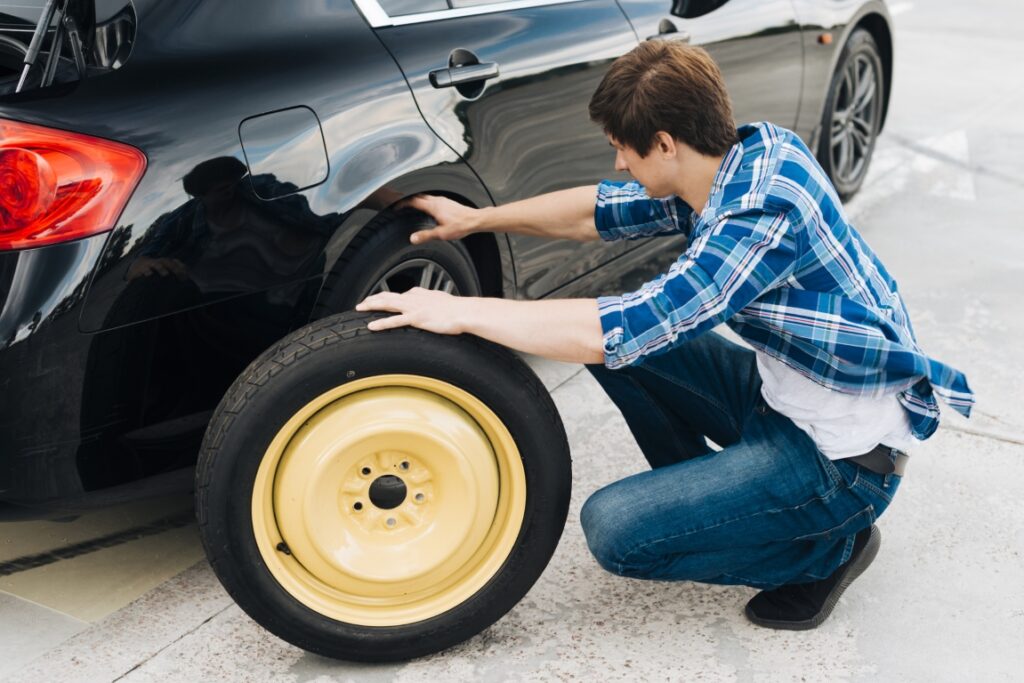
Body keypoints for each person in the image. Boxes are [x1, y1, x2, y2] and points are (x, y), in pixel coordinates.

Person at [354, 40, 974, 629]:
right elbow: (596, 210)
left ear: (665, 143)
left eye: (625, 148)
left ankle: (820, 552)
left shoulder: (758, 219)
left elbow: (630, 324)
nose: (620, 162)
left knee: (616, 531)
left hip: (842, 464)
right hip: (782, 399)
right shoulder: (741, 158)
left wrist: (460, 312)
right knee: (601, 339)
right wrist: (478, 219)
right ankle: (731, 505)